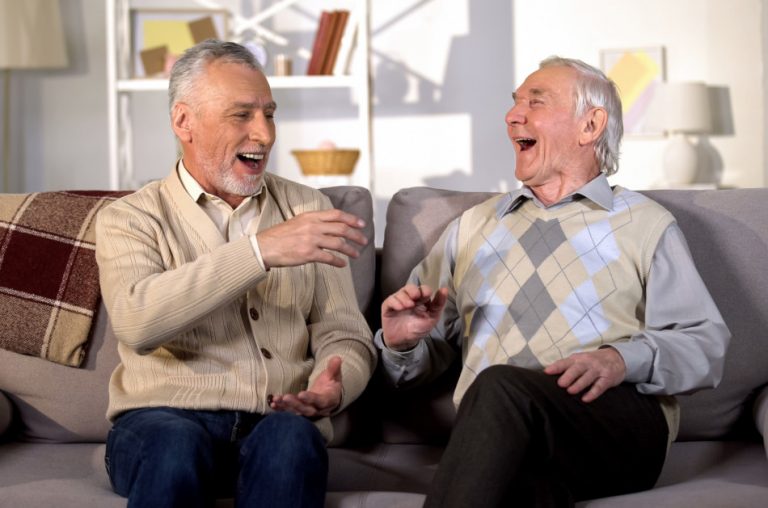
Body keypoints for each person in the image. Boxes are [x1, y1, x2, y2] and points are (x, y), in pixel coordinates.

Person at [376, 56, 730, 507]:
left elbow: (705, 345)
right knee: (515, 486)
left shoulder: (645, 224)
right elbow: (419, 364)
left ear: (590, 125)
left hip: (615, 424)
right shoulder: (472, 228)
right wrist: (402, 344)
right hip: (501, 435)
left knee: (498, 385)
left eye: (535, 102)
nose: (512, 115)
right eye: (514, 102)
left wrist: (621, 359)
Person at [95, 39, 376, 508]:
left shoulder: (308, 207)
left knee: (292, 441)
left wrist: (336, 385)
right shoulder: (130, 218)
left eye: (270, 113)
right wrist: (259, 252)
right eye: (242, 115)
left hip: (275, 419)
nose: (264, 134)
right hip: (160, 420)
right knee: (174, 448)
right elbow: (136, 321)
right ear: (184, 121)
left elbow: (344, 332)